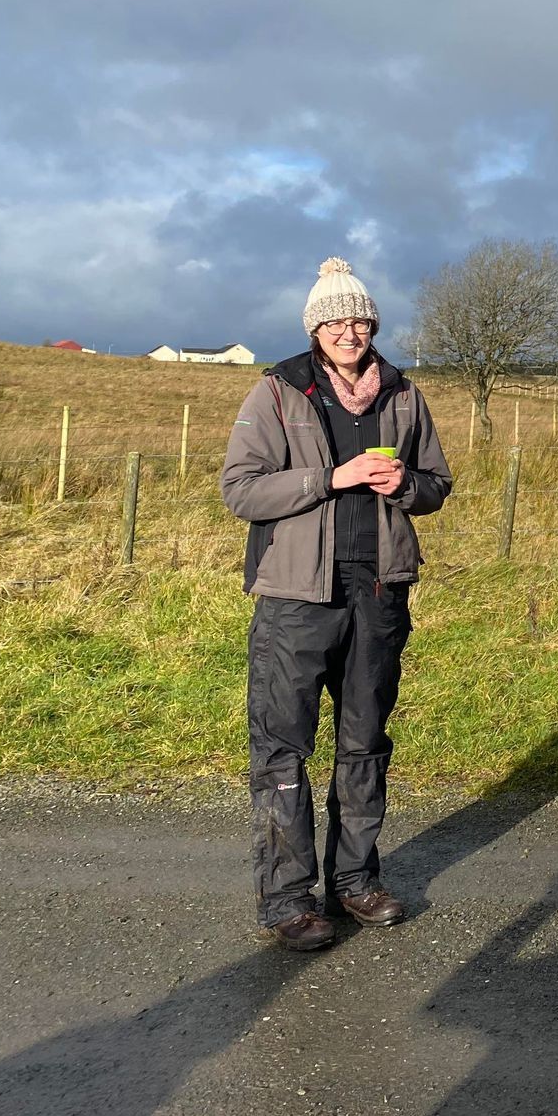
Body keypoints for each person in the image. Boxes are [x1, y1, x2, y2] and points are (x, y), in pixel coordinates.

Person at [220, 257, 454, 950]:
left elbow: (437, 485)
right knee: (282, 748)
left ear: (372, 326)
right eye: (335, 322)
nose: (349, 333)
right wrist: (331, 477)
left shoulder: (404, 395)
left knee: (365, 742)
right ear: (315, 329)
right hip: (296, 596)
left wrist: (405, 484)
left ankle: (354, 880)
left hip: (379, 591)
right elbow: (241, 490)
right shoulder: (278, 391)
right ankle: (288, 899)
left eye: (360, 321)